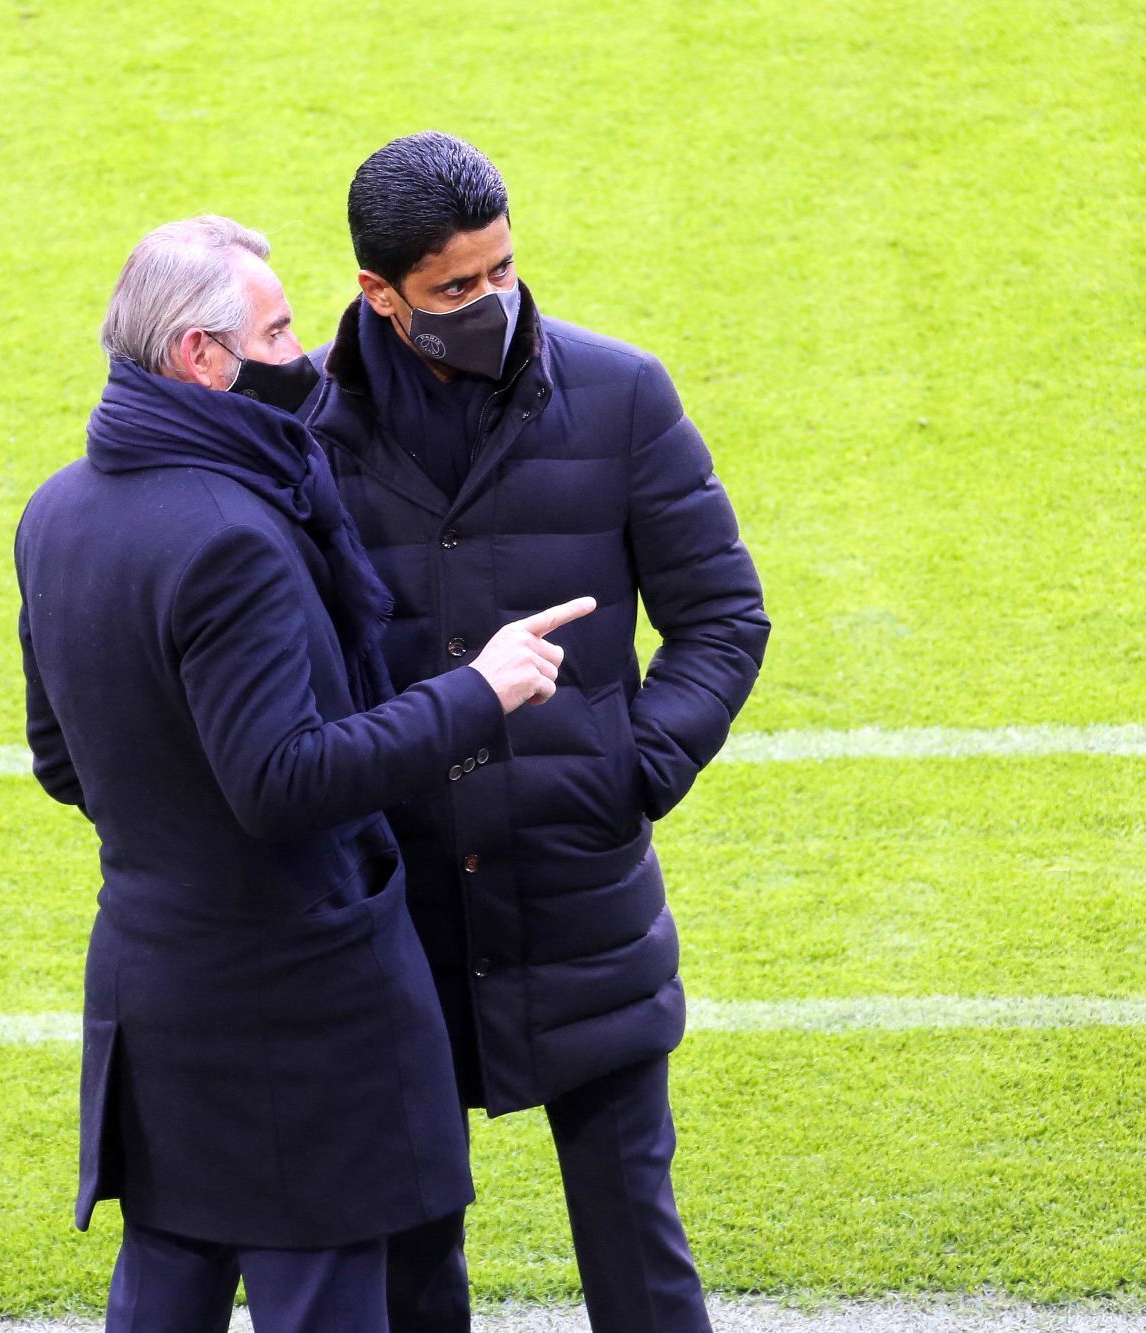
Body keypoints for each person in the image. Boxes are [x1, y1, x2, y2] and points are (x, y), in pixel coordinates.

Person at [15, 213, 595, 1332]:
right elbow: (282, 781)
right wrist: (478, 691)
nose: (306, 358)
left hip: (154, 985)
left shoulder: (56, 511)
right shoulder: (232, 536)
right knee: (329, 1299)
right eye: (278, 333)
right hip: (298, 1014)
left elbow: (61, 760)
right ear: (202, 357)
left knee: (164, 1297)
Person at [306, 135, 772, 1333]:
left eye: (502, 269)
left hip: (579, 898)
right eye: (455, 287)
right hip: (393, 910)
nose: (492, 302)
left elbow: (722, 616)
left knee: (637, 1255)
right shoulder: (301, 429)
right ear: (379, 293)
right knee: (408, 1268)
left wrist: (633, 769)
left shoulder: (621, 395)